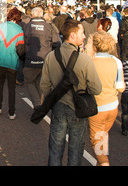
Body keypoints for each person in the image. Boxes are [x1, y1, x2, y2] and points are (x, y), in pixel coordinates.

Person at [40, 19, 101, 166]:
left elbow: (44, 87)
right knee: (76, 149)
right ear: (72, 36)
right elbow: (96, 89)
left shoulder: (51, 56)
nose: (85, 36)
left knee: (55, 148)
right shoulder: (85, 60)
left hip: (59, 107)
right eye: (82, 33)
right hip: (77, 108)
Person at [89, 31, 125, 166]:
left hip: (97, 107)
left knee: (96, 142)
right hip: (112, 106)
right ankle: (102, 161)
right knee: (103, 136)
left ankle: (104, 163)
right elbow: (121, 87)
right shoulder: (116, 62)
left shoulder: (90, 62)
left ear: (95, 46)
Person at [22, 6, 61, 107]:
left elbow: (22, 43)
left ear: (32, 15)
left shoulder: (27, 26)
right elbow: (57, 44)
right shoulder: (50, 27)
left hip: (30, 59)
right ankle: (40, 104)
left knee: (29, 82)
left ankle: (37, 104)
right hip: (46, 60)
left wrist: (22, 55)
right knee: (40, 83)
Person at [0, 7, 25, 119]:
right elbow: (20, 49)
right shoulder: (20, 31)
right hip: (12, 61)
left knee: (0, 84)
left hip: (0, 59)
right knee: (11, 87)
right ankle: (11, 112)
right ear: (18, 18)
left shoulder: (0, 27)